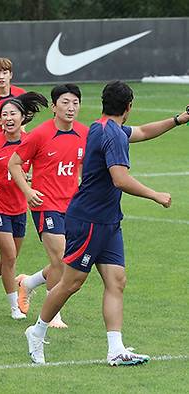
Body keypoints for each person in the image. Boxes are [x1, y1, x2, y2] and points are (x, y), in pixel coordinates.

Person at [24, 81, 181, 366]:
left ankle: (116, 349)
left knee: (116, 281)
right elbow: (120, 179)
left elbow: (144, 131)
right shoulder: (113, 136)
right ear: (129, 106)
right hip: (89, 220)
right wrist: (155, 194)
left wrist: (178, 119)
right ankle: (36, 331)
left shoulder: (102, 126)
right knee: (71, 283)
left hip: (108, 221)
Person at [8, 84, 89, 328]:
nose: (71, 107)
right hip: (45, 204)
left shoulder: (84, 133)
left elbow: (83, 164)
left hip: (73, 206)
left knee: (67, 260)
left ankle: (29, 283)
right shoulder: (40, 134)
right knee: (61, 259)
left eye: (75, 102)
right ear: (54, 107)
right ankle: (52, 313)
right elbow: (14, 163)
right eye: (65, 102)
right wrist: (28, 190)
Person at [0, 92, 47, 320]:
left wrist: (31, 178)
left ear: (23, 117)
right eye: (4, 114)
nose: (8, 118)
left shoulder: (30, 142)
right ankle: (14, 307)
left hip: (19, 207)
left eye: (13, 113)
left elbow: (37, 166)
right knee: (10, 258)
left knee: (8, 259)